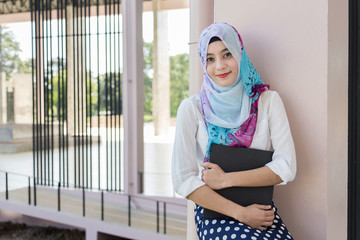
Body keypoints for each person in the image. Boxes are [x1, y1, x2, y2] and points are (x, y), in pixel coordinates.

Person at [172, 22, 296, 240]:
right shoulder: (192, 109)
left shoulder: (268, 101)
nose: (220, 66)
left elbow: (286, 166)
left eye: (227, 54)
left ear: (240, 54)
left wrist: (226, 179)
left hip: (260, 210)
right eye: (210, 59)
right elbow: (183, 179)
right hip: (215, 212)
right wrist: (240, 213)